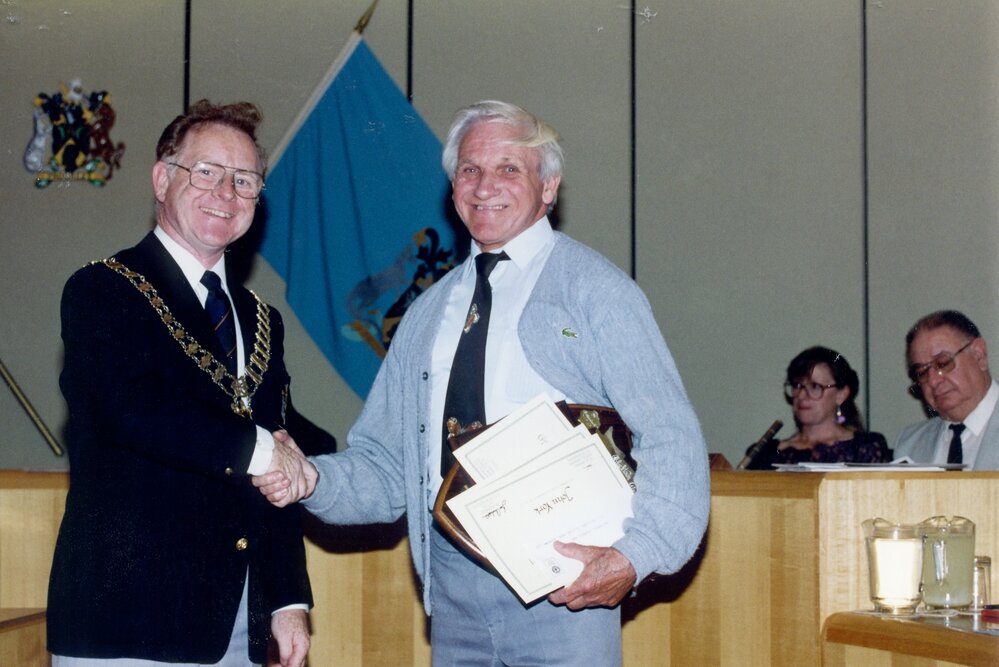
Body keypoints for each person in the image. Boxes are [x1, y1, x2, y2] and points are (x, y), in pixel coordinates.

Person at [253, 99, 710, 666]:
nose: (484, 185)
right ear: (452, 190)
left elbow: (671, 439)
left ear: (549, 186)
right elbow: (387, 468)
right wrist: (311, 477)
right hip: (451, 598)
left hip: (566, 595)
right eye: (469, 169)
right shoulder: (425, 316)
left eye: (508, 169)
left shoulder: (598, 294)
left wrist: (636, 557)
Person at [47, 100, 319, 667]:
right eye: (207, 173)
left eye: (244, 181)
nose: (226, 193)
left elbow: (281, 457)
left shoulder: (262, 317)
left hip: (235, 622)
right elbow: (133, 411)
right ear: (162, 179)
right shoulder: (103, 290)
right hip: (127, 621)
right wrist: (269, 450)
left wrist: (287, 598)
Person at [744, 346, 890, 469]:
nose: (801, 395)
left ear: (841, 394)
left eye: (814, 386)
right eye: (797, 386)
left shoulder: (866, 447)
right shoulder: (766, 453)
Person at [894, 310, 999, 470]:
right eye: (922, 372)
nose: (933, 380)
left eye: (942, 363)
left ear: (979, 355)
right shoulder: (910, 445)